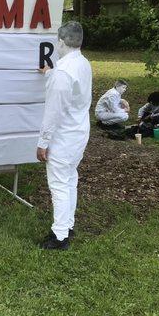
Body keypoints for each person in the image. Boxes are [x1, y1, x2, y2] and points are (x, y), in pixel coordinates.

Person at [37, 21, 92, 250]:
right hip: (79, 132)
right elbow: (70, 90)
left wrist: (43, 143)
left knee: (59, 184)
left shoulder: (62, 72)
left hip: (63, 136)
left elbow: (53, 112)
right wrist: (50, 73)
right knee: (70, 180)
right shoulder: (82, 63)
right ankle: (67, 225)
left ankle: (59, 237)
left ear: (60, 42)